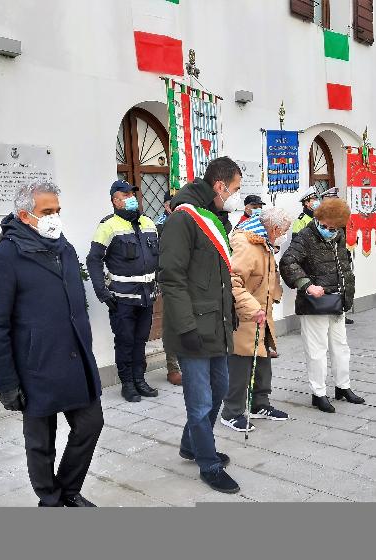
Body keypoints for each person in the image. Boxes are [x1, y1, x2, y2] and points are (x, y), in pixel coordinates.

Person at [0, 182, 103, 507]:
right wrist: (6, 383)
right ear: (24, 215)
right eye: (47, 212)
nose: (55, 218)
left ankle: (68, 490)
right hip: (35, 368)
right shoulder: (2, 259)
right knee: (40, 443)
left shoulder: (65, 249)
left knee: (91, 424)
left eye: (57, 211)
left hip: (75, 361)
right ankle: (50, 501)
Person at [159, 156, 258, 494]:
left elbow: (218, 277)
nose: (235, 195)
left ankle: (191, 444)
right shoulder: (184, 219)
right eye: (234, 189)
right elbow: (171, 279)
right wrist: (186, 328)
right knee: (200, 401)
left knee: (218, 391)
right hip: (193, 329)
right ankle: (208, 464)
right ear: (219, 186)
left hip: (217, 325)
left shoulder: (213, 218)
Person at [279, 198, 365, 413]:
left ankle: (342, 386)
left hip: (337, 300)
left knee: (340, 347)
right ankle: (318, 393)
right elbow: (288, 262)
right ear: (318, 219)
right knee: (317, 350)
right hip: (315, 303)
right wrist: (306, 285)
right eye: (325, 226)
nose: (329, 230)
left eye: (333, 227)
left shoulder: (339, 235)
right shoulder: (306, 236)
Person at [87, 180, 159, 402]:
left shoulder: (148, 222)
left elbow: (158, 255)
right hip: (123, 298)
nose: (131, 198)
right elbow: (94, 260)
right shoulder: (108, 226)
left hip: (147, 296)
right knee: (125, 340)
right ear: (115, 201)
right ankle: (127, 383)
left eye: (132, 194)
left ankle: (140, 379)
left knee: (140, 340)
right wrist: (102, 292)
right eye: (125, 195)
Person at [220, 208, 292, 432]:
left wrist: (275, 295)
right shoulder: (246, 245)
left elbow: (268, 275)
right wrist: (252, 308)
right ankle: (231, 412)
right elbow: (232, 281)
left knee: (263, 363)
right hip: (245, 315)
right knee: (241, 365)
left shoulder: (263, 243)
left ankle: (260, 404)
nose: (283, 235)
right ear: (274, 228)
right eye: (283, 231)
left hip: (262, 314)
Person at [155, 191, 182, 386]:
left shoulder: (188, 222)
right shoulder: (158, 226)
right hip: (170, 281)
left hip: (188, 279)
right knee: (172, 324)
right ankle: (173, 367)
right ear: (166, 206)